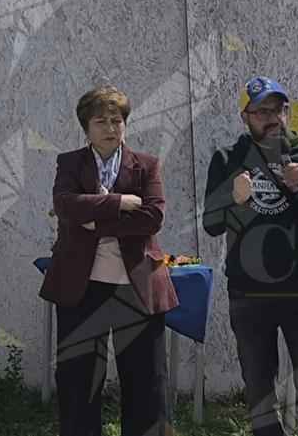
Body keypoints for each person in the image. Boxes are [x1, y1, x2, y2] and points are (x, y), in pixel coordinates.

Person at [202, 76, 298, 436]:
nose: (272, 117)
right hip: (249, 292)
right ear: (245, 117)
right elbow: (211, 224)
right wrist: (232, 198)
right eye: (261, 111)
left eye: (278, 109)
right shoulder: (228, 159)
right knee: (260, 391)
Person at [40, 85, 177, 436]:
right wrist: (120, 202)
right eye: (100, 120)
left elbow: (153, 218)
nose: (110, 127)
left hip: (137, 286)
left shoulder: (146, 165)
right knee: (78, 378)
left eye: (117, 120)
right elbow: (66, 206)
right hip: (82, 288)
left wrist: (94, 220)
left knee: (146, 381)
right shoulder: (70, 162)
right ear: (86, 128)